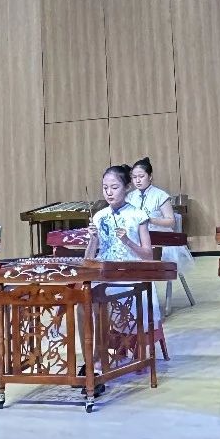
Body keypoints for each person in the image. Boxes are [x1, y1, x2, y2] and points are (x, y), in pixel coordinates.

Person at [82, 166, 154, 396]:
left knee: (99, 302)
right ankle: (91, 360)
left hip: (129, 276)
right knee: (82, 302)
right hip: (105, 274)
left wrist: (128, 242)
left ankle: (97, 363)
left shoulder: (137, 215)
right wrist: (93, 239)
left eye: (114, 187)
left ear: (126, 188)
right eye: (105, 188)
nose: (109, 192)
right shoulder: (99, 216)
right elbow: (88, 259)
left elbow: (148, 255)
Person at [128, 157, 195, 278]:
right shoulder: (130, 197)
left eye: (141, 176)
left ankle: (147, 283)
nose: (137, 180)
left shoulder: (160, 195)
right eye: (134, 177)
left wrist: (150, 220)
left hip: (157, 237)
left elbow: (171, 222)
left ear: (150, 176)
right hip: (136, 237)